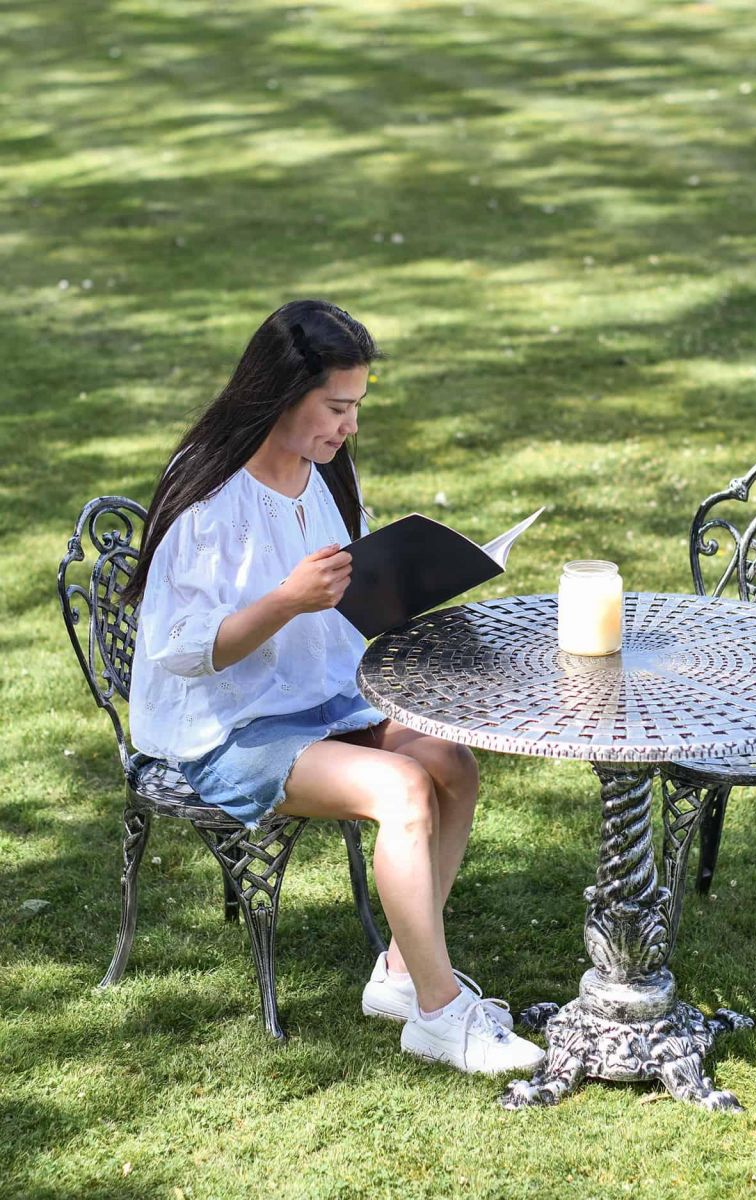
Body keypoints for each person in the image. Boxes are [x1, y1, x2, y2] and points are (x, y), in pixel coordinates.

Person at [125, 299, 545, 1076]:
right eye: (337, 407)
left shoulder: (326, 474)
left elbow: (351, 599)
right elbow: (179, 653)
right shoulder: (208, 498)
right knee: (402, 790)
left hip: (324, 699)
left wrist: (408, 581)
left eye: (355, 407)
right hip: (234, 728)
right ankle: (440, 1012)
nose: (349, 427)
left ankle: (397, 973)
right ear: (282, 396)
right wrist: (285, 599)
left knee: (451, 762)